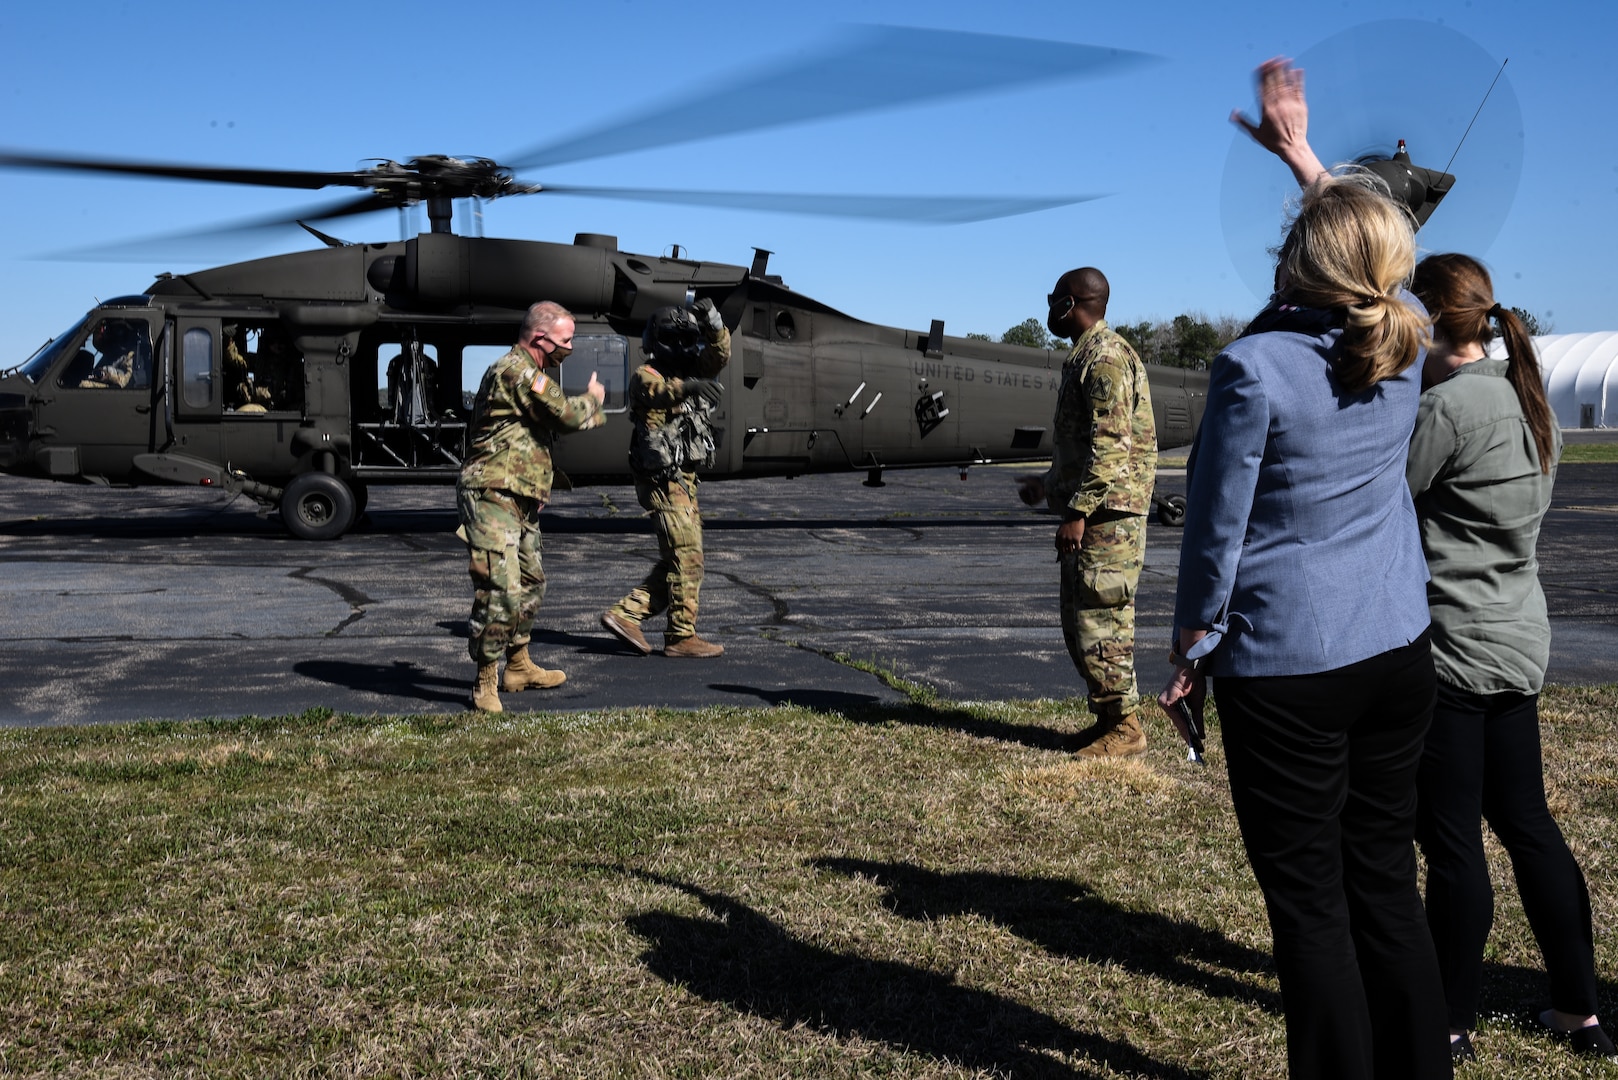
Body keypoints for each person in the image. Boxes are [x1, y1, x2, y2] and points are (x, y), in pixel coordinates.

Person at [1245, 57, 1614, 1064]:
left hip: (1447, 649)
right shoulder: (1532, 403)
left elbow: (1364, 282)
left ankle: (1443, 1012)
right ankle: (1578, 1003)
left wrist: (1306, 165)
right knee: (1527, 825)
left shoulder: (1441, 411)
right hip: (1519, 640)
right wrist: (1306, 159)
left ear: (1432, 322)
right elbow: (1382, 273)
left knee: (1445, 841)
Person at [1158, 145, 1449, 1076]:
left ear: (1302, 258)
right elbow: (1369, 254)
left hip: (1289, 668)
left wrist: (1193, 647)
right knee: (1386, 885)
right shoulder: (1406, 332)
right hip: (1398, 646)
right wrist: (1305, 157)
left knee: (1311, 906)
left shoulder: (1254, 368)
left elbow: (1216, 531)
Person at [1014, 268, 1156, 759]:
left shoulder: (1105, 358)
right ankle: (1111, 721)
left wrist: (1077, 512)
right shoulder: (1085, 356)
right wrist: (1049, 489)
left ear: (1068, 302)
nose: (1049, 305)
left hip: (1108, 520)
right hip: (1094, 513)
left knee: (1102, 620)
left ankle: (1127, 730)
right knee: (1081, 623)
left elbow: (1111, 449)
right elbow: (1082, 450)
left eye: (1054, 298)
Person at [458, 301, 605, 712]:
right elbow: (565, 414)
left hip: (518, 496)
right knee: (500, 590)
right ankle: (485, 679)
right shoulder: (518, 372)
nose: (569, 348)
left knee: (532, 583)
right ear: (540, 338)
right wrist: (593, 399)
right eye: (566, 340)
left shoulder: (530, 373)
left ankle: (518, 665)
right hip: (491, 493)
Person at [600, 298, 730, 658]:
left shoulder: (691, 368)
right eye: (674, 339)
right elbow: (656, 394)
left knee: (682, 557)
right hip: (662, 480)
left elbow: (719, 355)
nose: (683, 347)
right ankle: (679, 635)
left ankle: (627, 615)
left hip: (683, 480)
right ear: (655, 342)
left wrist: (713, 320)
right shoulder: (647, 376)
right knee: (687, 555)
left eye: (688, 339)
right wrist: (690, 388)